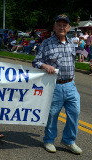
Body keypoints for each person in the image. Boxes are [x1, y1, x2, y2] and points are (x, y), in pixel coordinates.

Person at [32, 14, 82, 154]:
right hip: (54, 86)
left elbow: (79, 56)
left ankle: (69, 140)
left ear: (68, 28)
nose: (61, 27)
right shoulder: (47, 43)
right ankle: (48, 140)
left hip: (71, 85)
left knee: (75, 112)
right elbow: (36, 61)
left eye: (64, 25)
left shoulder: (72, 43)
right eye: (59, 25)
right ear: (54, 27)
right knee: (53, 114)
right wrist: (44, 65)